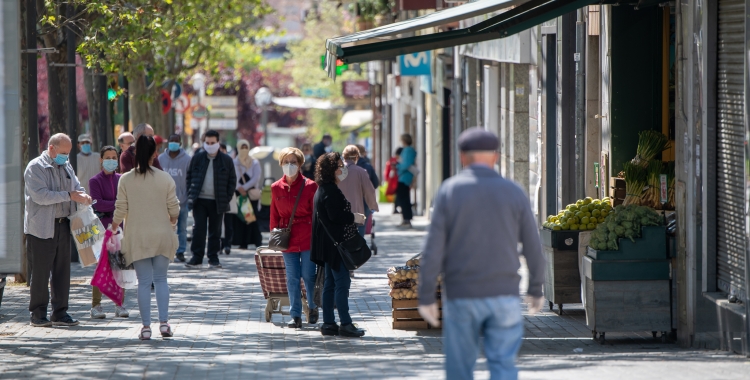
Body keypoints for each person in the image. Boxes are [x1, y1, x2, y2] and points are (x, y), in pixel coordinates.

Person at [418, 127, 546, 380]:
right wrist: (536, 289)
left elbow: (433, 249)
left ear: (462, 156)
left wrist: (426, 296)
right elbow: (534, 245)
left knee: (459, 367)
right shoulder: (514, 192)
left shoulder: (449, 191)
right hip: (505, 295)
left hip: (461, 295)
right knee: (503, 365)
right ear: (495, 156)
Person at [111, 135, 180, 340]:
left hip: (137, 236)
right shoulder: (164, 177)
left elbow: (120, 209)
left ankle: (146, 327)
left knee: (143, 282)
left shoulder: (126, 179)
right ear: (154, 153)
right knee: (161, 280)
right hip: (162, 235)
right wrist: (173, 221)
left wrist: (113, 228)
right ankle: (165, 323)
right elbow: (174, 208)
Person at [25, 133, 92, 327]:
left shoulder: (66, 165)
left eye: (68, 153)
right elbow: (41, 196)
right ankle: (38, 314)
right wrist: (69, 195)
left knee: (62, 271)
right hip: (41, 228)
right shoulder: (35, 167)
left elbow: (76, 187)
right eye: (63, 152)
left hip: (63, 224)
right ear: (52, 148)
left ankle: (60, 312)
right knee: (40, 272)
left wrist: (82, 196)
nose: (66, 156)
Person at [310, 152, 366, 338]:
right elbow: (336, 217)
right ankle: (346, 323)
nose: (343, 169)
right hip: (336, 245)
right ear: (331, 170)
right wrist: (355, 217)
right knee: (342, 282)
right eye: (339, 166)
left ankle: (328, 323)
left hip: (328, 245)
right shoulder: (330, 190)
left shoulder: (322, 189)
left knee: (330, 285)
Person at [269, 147, 319, 328]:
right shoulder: (276, 188)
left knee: (308, 275)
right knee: (292, 277)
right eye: (286, 162)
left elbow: (316, 213)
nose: (290, 165)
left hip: (307, 236)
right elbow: (274, 214)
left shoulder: (311, 186)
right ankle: (295, 315)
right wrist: (274, 235)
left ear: (300, 165)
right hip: (286, 238)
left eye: (294, 162)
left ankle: (313, 307)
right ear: (281, 164)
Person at [185, 130, 236, 269]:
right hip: (199, 200)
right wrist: (191, 193)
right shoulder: (197, 158)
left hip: (218, 201)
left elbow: (232, 181)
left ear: (218, 142)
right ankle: (196, 257)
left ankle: (213, 258)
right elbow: (189, 176)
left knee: (216, 231)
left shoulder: (227, 160)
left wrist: (226, 197)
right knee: (198, 229)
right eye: (207, 143)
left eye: (212, 143)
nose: (210, 145)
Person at [89, 145, 130, 319]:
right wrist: (117, 204)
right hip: (101, 228)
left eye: (114, 157)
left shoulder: (122, 179)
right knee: (101, 266)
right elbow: (98, 204)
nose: (111, 161)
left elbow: (126, 202)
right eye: (108, 157)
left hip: (118, 228)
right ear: (101, 159)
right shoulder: (94, 181)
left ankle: (119, 304)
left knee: (119, 267)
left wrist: (114, 204)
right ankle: (96, 305)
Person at [159, 134, 192, 262]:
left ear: (180, 143)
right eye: (171, 141)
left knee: (182, 228)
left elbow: (190, 179)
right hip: (164, 201)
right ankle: (166, 250)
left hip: (182, 201)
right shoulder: (161, 159)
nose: (173, 143)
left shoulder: (188, 159)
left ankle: (181, 251)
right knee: (165, 228)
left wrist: (187, 195)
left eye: (176, 141)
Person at [338, 145, 379, 238]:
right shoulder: (361, 171)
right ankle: (357, 249)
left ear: (343, 156)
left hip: (339, 209)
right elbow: (369, 190)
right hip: (357, 210)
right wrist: (373, 206)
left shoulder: (336, 171)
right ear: (357, 157)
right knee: (360, 232)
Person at [232, 139, 263, 250]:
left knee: (251, 219)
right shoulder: (234, 162)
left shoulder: (254, 162)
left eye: (246, 147)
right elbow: (232, 178)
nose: (244, 150)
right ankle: (242, 242)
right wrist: (239, 188)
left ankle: (257, 241)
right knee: (241, 219)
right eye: (242, 147)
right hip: (239, 194)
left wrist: (244, 188)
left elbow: (256, 178)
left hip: (250, 194)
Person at [395, 134, 416, 228]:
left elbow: (406, 164)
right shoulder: (408, 150)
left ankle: (407, 219)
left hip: (404, 177)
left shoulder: (408, 150)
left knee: (403, 198)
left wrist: (397, 166)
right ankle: (406, 218)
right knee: (404, 198)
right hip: (404, 176)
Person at [219, 143, 235, 254]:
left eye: (222, 149)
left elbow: (233, 180)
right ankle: (218, 245)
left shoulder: (229, 162)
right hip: (217, 198)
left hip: (229, 197)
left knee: (228, 222)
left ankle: (227, 244)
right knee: (218, 224)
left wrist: (228, 195)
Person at [384, 147, 403, 214]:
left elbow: (387, 172)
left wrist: (387, 179)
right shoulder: (397, 161)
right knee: (399, 195)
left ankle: (396, 208)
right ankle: (398, 208)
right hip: (397, 180)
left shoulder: (391, 160)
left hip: (392, 181)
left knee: (397, 195)